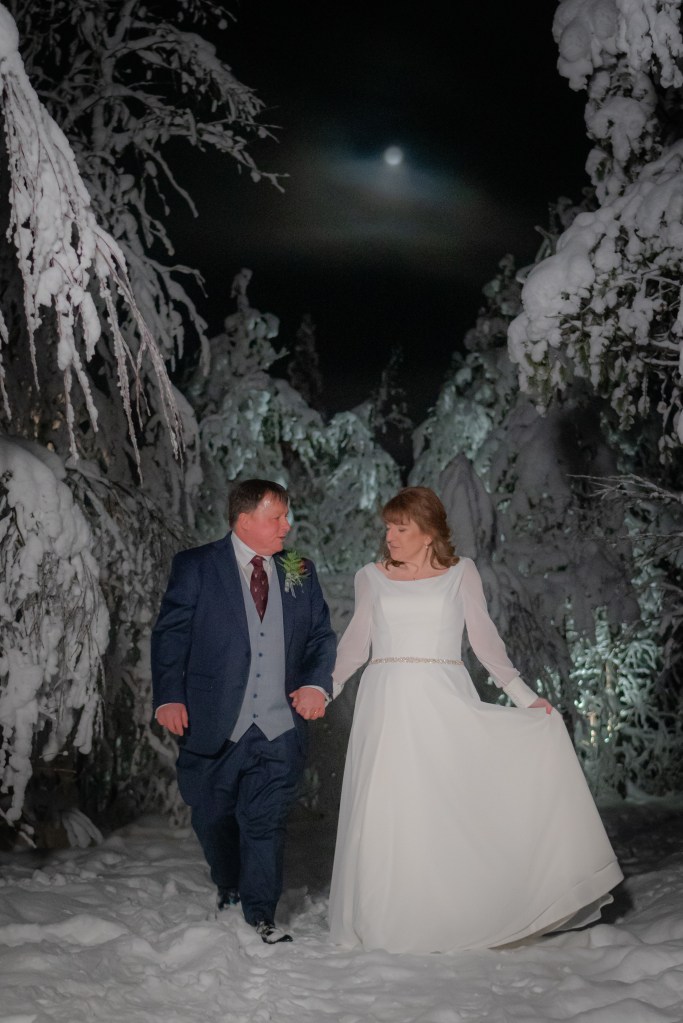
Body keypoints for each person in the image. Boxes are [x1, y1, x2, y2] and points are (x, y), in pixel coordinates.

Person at [328, 486, 623, 954]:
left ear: (428, 533)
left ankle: (458, 912)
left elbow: (485, 642)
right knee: (388, 806)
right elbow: (354, 645)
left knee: (444, 804)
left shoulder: (461, 573)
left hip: (443, 697)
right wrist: (324, 689)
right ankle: (387, 920)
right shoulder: (370, 577)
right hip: (386, 702)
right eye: (388, 528)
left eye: (401, 528)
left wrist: (524, 697)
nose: (390, 537)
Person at [151, 479, 336, 944]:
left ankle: (261, 915)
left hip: (279, 725)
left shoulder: (298, 568)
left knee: (265, 821)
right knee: (211, 816)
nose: (287, 526)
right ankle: (228, 882)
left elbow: (319, 636)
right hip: (214, 721)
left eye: (287, 516)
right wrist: (169, 696)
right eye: (277, 517)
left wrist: (315, 683)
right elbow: (171, 635)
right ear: (244, 520)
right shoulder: (197, 565)